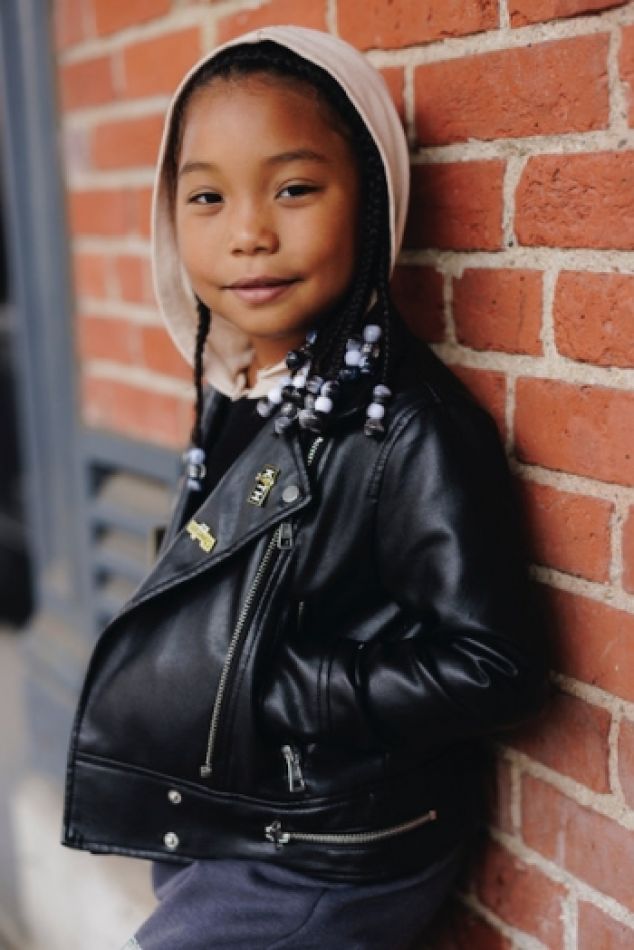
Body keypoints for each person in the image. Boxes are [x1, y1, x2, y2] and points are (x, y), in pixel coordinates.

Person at [62, 26, 545, 950]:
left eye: (293, 189)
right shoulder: (240, 384)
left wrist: (282, 687)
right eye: (207, 197)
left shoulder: (406, 427)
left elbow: (497, 666)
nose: (248, 233)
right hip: (236, 810)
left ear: (371, 201)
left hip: (327, 846)